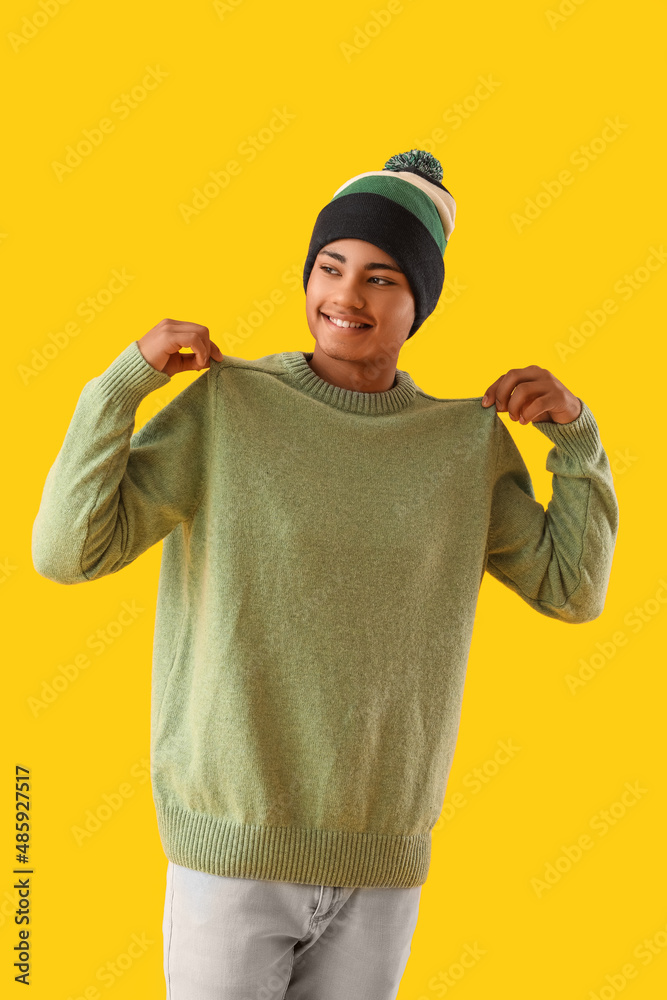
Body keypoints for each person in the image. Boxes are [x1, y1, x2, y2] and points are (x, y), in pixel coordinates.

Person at [31, 149, 619, 999]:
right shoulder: (230, 411)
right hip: (231, 848)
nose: (346, 296)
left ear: (418, 304)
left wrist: (576, 438)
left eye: (382, 278)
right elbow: (67, 552)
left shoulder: (462, 446)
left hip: (382, 860)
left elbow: (572, 589)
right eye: (330, 267)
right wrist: (123, 386)